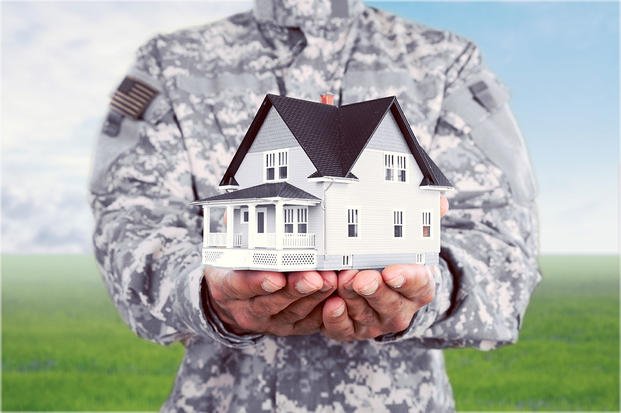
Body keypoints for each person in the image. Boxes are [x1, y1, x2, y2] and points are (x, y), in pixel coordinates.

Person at [89, 0, 541, 411]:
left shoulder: (445, 63)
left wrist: (430, 287)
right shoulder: (171, 64)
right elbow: (128, 220)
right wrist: (204, 292)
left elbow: (504, 245)